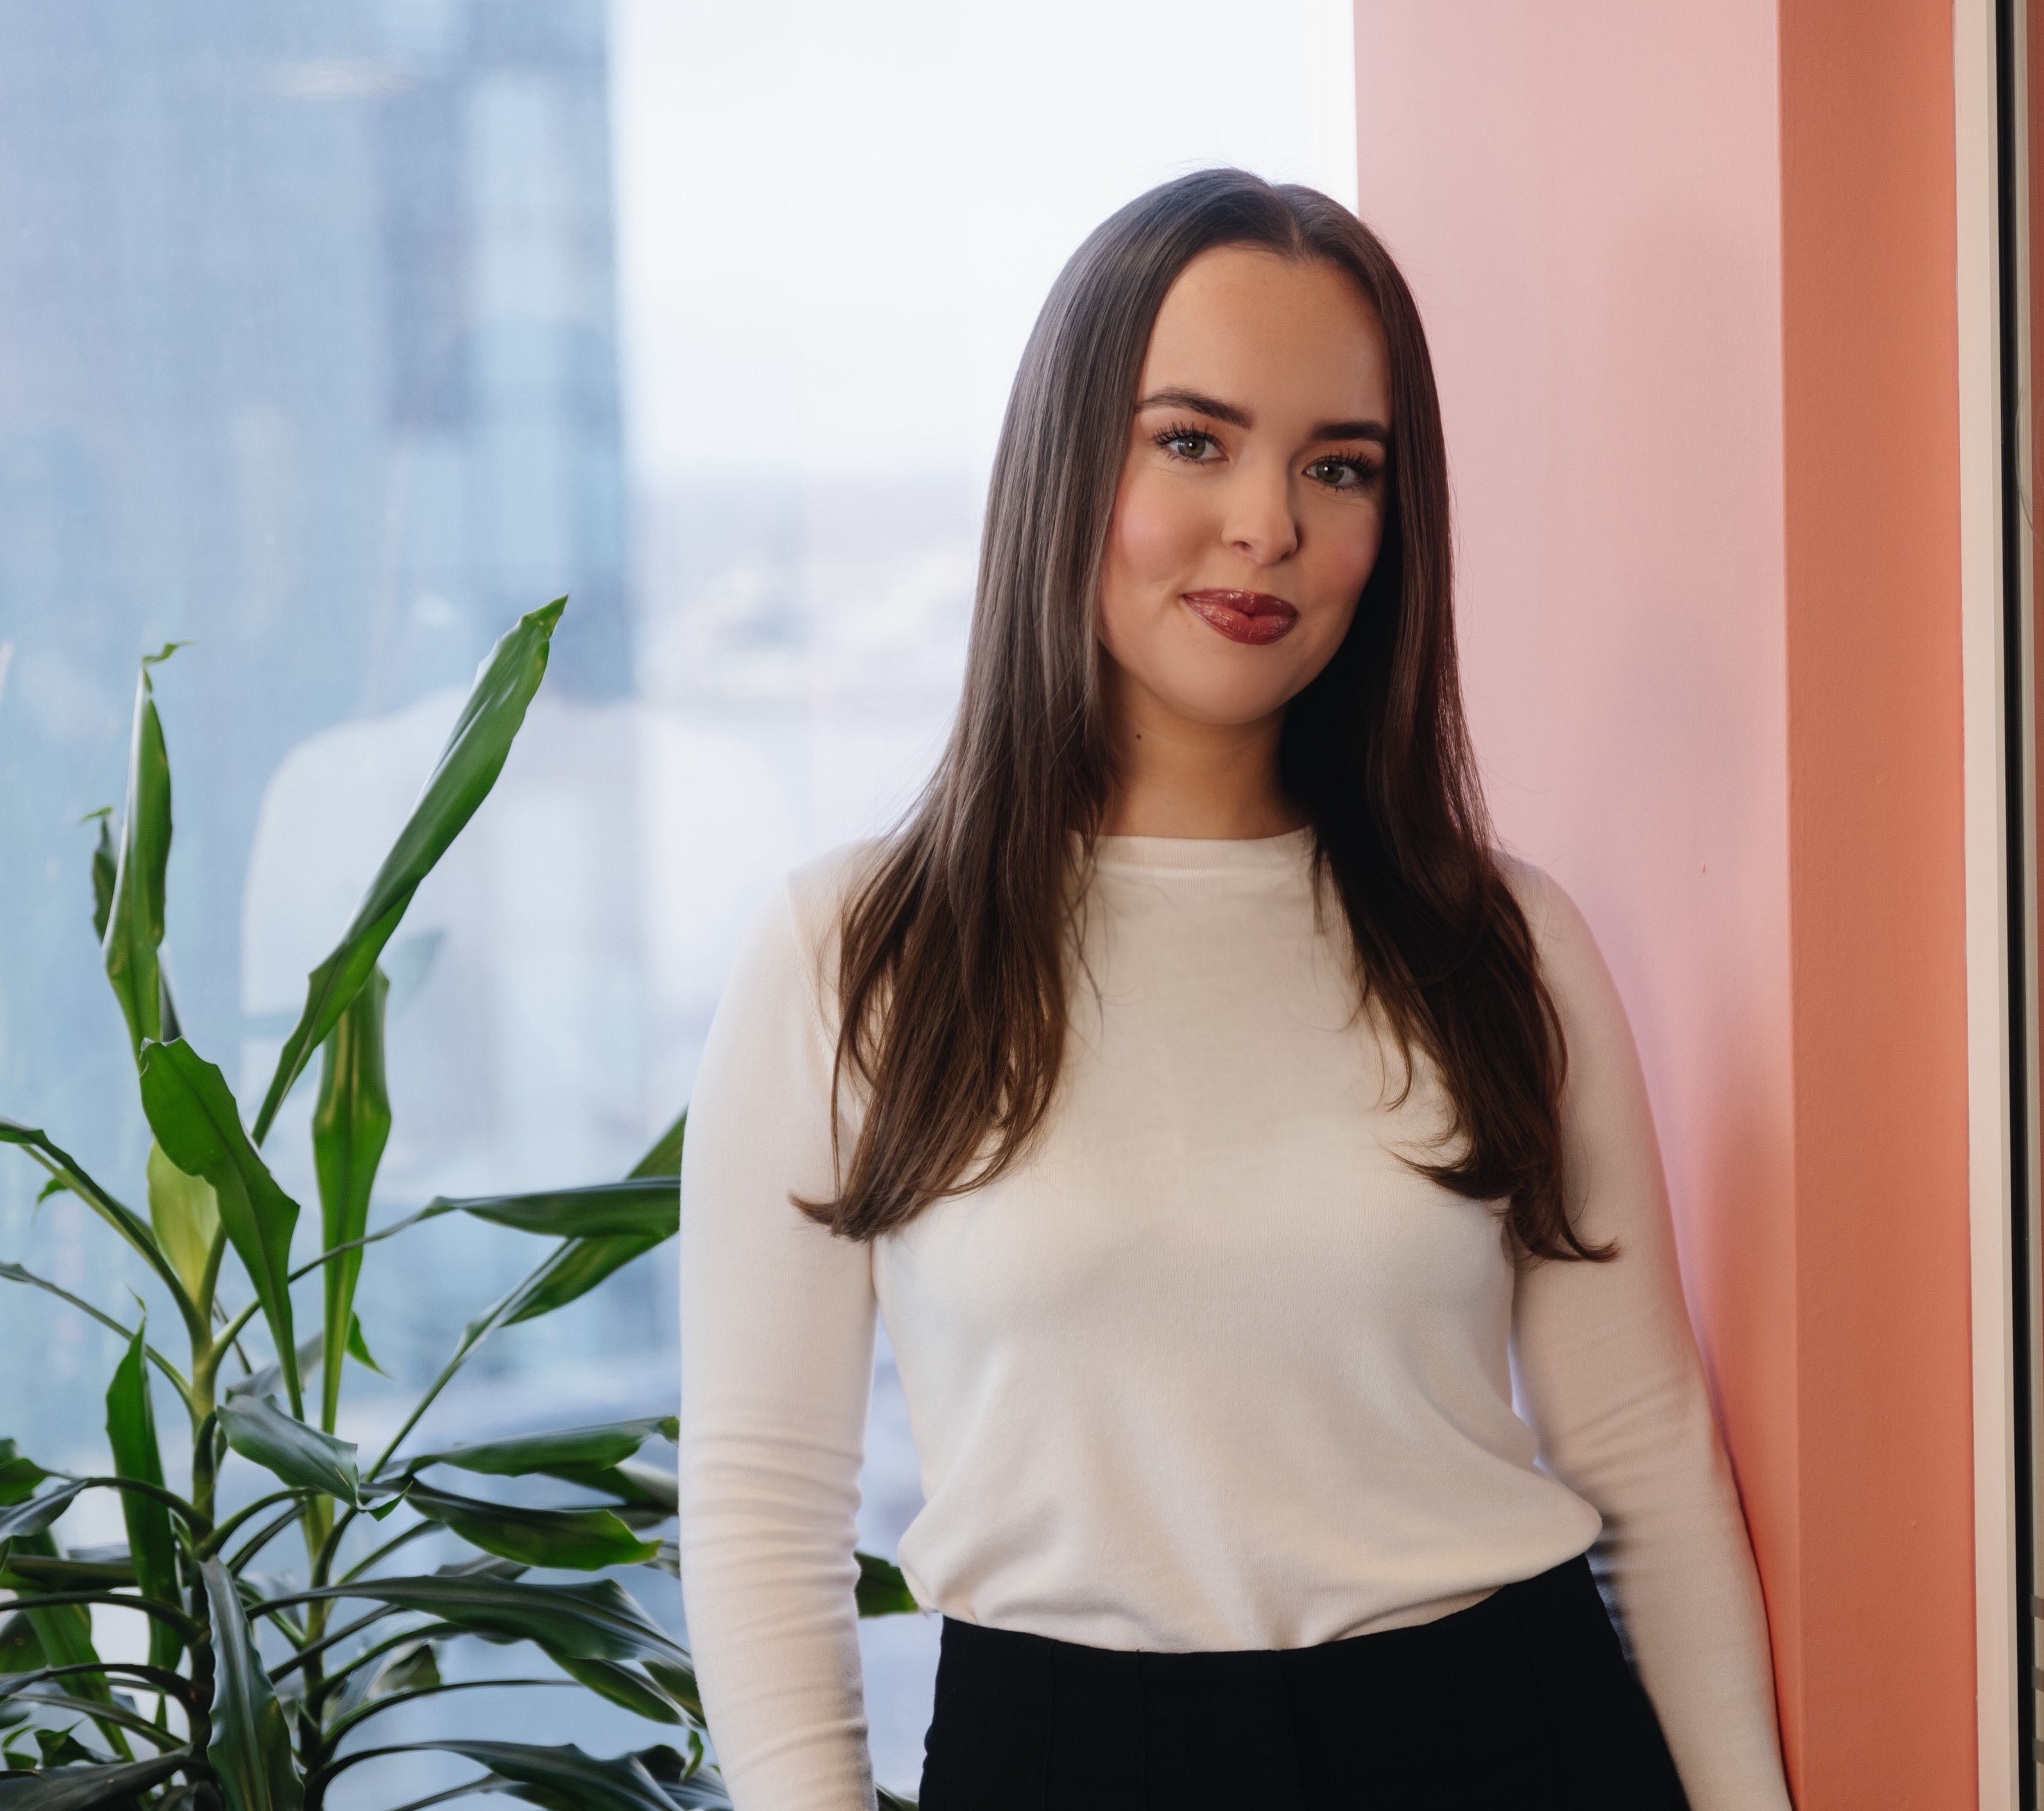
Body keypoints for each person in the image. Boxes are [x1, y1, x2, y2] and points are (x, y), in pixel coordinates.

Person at [679, 169, 1791, 1810]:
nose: (1267, 523)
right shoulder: (858, 953)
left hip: (1508, 1738)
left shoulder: (1502, 943)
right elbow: (766, 1506)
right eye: (1192, 440)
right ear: (1069, 462)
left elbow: (1645, 1460)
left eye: (1338, 468)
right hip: (1062, 1757)